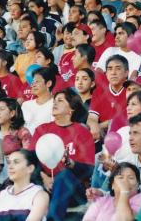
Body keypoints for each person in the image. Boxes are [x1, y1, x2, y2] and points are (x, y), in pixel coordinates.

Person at [29, 88, 94, 221]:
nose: (55, 103)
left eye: (60, 100)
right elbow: (30, 159)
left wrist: (71, 163)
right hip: (43, 182)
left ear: (71, 109)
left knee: (64, 175)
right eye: (54, 101)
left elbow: (89, 170)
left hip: (73, 189)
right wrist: (43, 178)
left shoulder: (82, 132)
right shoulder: (42, 129)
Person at [0, 149, 49, 220]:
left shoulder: (39, 195)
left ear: (30, 168)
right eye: (9, 163)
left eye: (16, 162)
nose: (10, 167)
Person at [87, 55, 128, 139]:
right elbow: (92, 117)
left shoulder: (131, 90)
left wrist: (99, 126)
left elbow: (123, 120)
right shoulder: (99, 91)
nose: (113, 72)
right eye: (109, 69)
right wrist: (94, 126)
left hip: (125, 133)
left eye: (118, 68)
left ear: (126, 72)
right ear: (106, 73)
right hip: (102, 134)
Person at [21, 67, 55, 135]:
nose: (32, 85)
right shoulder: (26, 105)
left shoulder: (56, 105)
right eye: (32, 82)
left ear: (48, 83)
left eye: (37, 82)